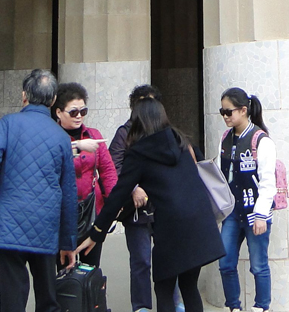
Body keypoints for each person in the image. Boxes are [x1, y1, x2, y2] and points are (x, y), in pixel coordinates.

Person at [79, 98, 223, 312]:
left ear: (137, 121)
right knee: (188, 285)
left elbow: (118, 195)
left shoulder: (139, 153)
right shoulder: (181, 143)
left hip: (172, 230)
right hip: (200, 225)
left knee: (163, 289)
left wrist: (96, 232)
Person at [0, 68, 79, 312]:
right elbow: (69, 193)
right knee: (48, 299)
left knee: (12, 301)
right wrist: (68, 243)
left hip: (8, 223)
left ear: (24, 95)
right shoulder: (62, 137)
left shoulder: (8, 124)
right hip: (46, 226)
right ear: (53, 100)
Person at [217, 88, 277, 312]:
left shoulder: (261, 141)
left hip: (255, 213)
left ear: (244, 110)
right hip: (232, 212)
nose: (225, 116)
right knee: (225, 263)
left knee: (259, 266)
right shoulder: (225, 138)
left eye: (229, 111)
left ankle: (261, 307)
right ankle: (233, 307)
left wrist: (261, 215)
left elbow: (267, 182)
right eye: (222, 111)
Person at [110, 84, 164, 312]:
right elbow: (114, 166)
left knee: (168, 259)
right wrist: (133, 188)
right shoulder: (125, 133)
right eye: (140, 102)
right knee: (141, 261)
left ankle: (173, 303)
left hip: (163, 207)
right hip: (137, 211)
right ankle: (141, 307)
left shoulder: (165, 132)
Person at [53, 82, 118, 268]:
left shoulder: (93, 135)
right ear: (59, 112)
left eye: (83, 111)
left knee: (91, 267)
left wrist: (112, 206)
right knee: (62, 269)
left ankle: (90, 298)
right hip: (61, 215)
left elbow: (108, 171)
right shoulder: (52, 136)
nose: (79, 116)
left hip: (92, 211)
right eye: (73, 112)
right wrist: (75, 147)